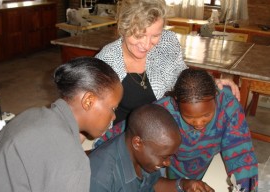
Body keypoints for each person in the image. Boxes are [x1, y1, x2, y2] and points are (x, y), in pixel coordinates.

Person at [0, 57, 123, 192]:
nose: (114, 116)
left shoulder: (31, 114)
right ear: (88, 101)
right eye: (113, 108)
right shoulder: (71, 162)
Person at [94, 68, 258, 192]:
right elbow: (130, 128)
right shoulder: (164, 109)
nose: (199, 124)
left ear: (216, 97)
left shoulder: (228, 106)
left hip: (206, 163)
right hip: (174, 167)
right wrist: (98, 149)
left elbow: (241, 154)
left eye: (206, 115)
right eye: (190, 118)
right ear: (176, 102)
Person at [96, 0, 240, 124]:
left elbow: (181, 74)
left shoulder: (167, 41)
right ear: (123, 28)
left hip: (166, 123)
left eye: (155, 35)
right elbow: (90, 110)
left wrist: (210, 82)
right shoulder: (107, 60)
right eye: (139, 35)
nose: (146, 45)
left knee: (225, 95)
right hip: (128, 135)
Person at [85, 104, 214, 192]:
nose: (168, 163)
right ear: (137, 143)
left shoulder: (144, 155)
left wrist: (183, 185)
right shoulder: (99, 177)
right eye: (164, 157)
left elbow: (152, 185)